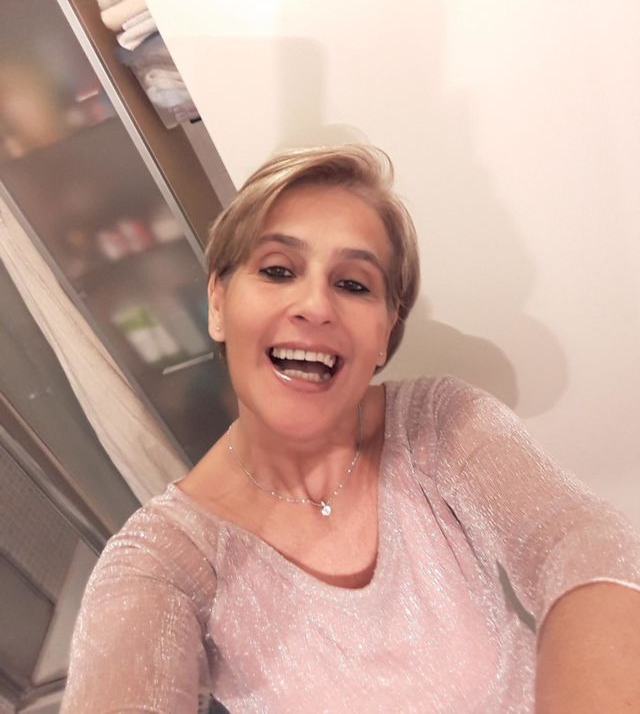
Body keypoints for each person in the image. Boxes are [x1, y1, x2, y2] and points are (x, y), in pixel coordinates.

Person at [62, 145, 640, 713]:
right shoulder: (163, 560)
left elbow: (583, 546)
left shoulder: (441, 424)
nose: (315, 305)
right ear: (218, 303)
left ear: (385, 332)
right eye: (278, 270)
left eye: (354, 284)